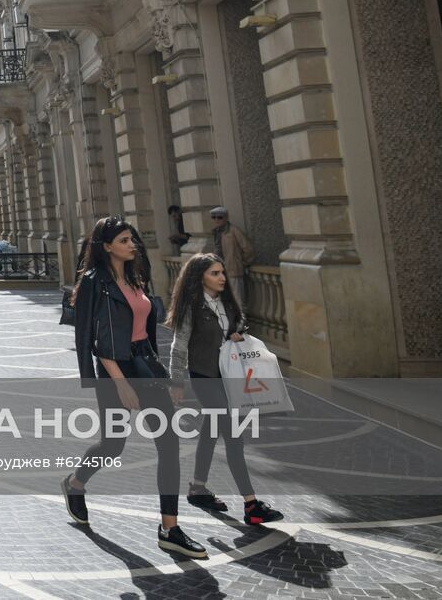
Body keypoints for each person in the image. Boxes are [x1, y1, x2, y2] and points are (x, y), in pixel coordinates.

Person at [61, 216, 205, 560]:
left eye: (132, 239)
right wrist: (121, 385)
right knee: (114, 444)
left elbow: (145, 332)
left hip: (144, 363)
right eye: (124, 240)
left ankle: (170, 529)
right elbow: (98, 340)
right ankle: (75, 483)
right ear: (107, 246)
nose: (132, 245)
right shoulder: (96, 282)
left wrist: (164, 375)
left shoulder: (136, 276)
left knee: (169, 443)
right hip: (115, 369)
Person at [167, 253, 284, 525]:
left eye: (222, 272)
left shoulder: (227, 303)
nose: (222, 278)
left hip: (230, 376)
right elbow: (179, 345)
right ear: (200, 277)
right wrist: (177, 382)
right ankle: (251, 505)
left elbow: (240, 323)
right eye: (215, 273)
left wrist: (237, 333)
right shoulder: (192, 307)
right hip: (204, 378)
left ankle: (197, 488)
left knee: (210, 430)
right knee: (234, 436)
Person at [210, 207, 255, 312]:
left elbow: (249, 249)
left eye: (219, 217)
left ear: (226, 218)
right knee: (224, 301)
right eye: (214, 217)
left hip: (233, 271)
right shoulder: (216, 232)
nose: (216, 220)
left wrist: (242, 262)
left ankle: (241, 325)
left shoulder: (234, 230)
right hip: (219, 272)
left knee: (238, 301)